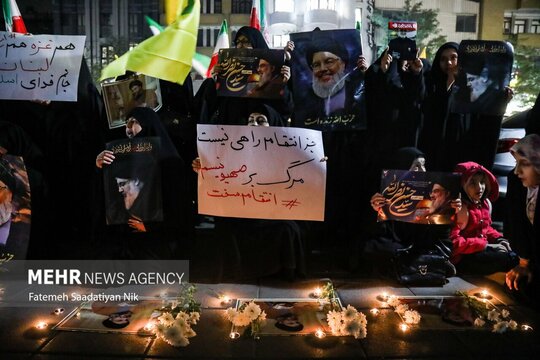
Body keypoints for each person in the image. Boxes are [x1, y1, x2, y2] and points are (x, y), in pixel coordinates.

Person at [192, 104, 305, 281]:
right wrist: (203, 168)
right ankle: (236, 274)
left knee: (287, 228)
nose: (254, 125)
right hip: (241, 211)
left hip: (272, 212)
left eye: (261, 121)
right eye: (251, 121)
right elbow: (220, 177)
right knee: (227, 226)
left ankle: (283, 274)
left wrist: (316, 164)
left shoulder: (287, 150)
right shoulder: (231, 148)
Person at [95, 107, 190, 259]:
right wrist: (100, 164)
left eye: (133, 122)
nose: (128, 129)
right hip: (125, 241)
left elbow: (177, 208)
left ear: (148, 123)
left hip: (158, 245)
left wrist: (150, 227)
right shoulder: (122, 158)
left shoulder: (170, 161)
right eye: (126, 123)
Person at [357, 147, 460, 275]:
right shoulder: (387, 191)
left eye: (423, 165)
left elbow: (439, 235)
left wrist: (449, 210)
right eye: (416, 166)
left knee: (439, 248)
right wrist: (376, 210)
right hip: (396, 245)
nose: (422, 170)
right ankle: (423, 266)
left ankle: (411, 266)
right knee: (377, 248)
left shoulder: (433, 192)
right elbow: (377, 232)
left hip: (420, 244)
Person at [450, 161, 519, 275]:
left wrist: (498, 239)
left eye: (482, 182)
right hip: (462, 259)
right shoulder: (457, 208)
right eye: (472, 183)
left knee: (514, 252)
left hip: (480, 251)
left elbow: (486, 228)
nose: (479, 187)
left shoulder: (483, 203)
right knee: (508, 260)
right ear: (462, 185)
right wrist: (485, 246)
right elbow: (453, 243)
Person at [504, 134, 540, 307]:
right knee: (516, 284)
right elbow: (515, 225)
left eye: (524, 164)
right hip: (532, 260)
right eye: (516, 164)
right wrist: (524, 262)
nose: (517, 171)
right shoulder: (518, 186)